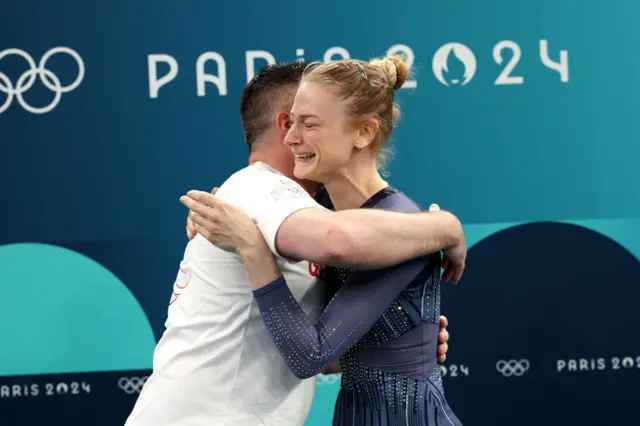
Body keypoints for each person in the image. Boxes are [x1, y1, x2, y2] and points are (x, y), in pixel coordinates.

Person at [125, 61, 465, 426]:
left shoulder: (321, 214)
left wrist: (391, 335)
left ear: (364, 132)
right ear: (282, 123)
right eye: (294, 120)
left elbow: (314, 342)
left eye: (311, 122)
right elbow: (339, 243)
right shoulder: (264, 192)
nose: (294, 137)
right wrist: (446, 227)